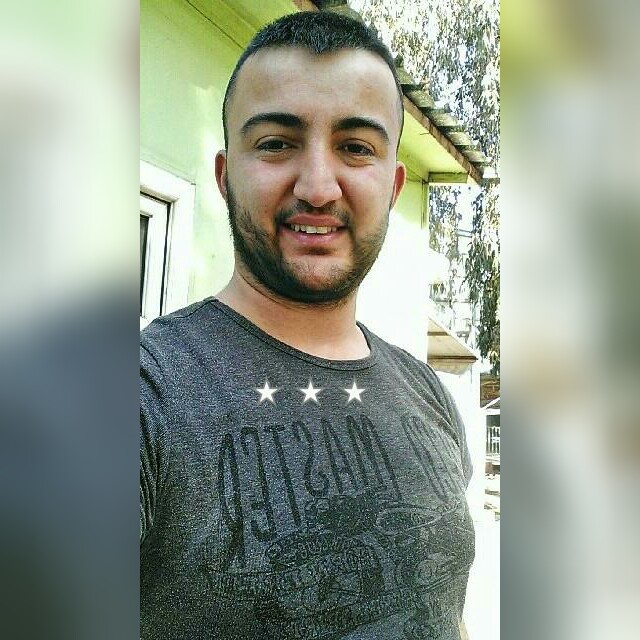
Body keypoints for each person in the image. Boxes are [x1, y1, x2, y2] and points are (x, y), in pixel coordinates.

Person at [141, 11, 474, 640]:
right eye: (276, 143)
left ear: (393, 185)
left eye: (356, 147)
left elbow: (444, 612)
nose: (319, 187)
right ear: (225, 177)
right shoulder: (136, 391)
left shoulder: (427, 393)